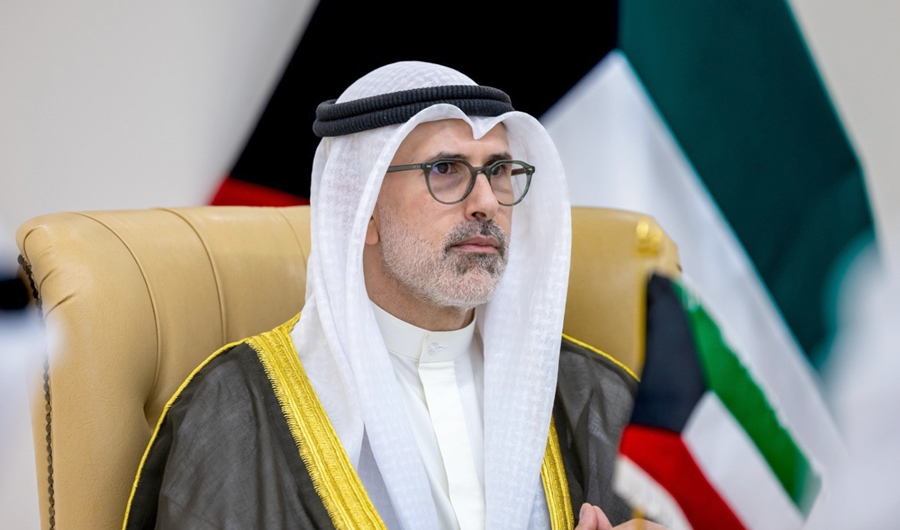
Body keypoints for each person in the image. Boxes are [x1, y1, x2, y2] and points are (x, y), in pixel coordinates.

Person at [122, 61, 665, 530]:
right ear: (360, 211)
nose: (486, 202)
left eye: (499, 170)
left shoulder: (594, 397)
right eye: (445, 169)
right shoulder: (237, 411)